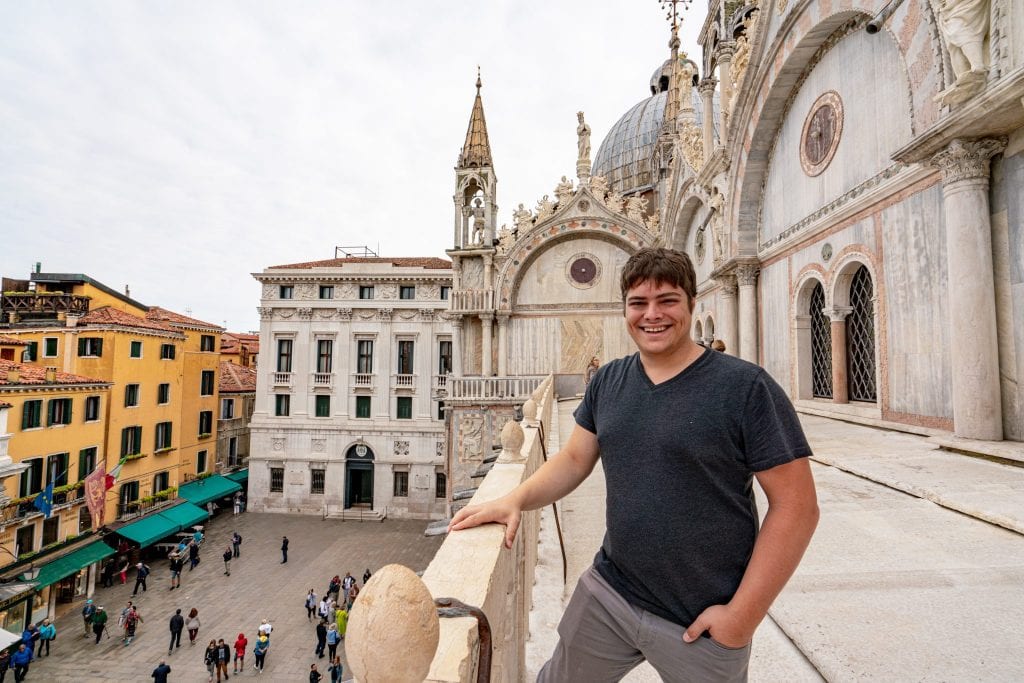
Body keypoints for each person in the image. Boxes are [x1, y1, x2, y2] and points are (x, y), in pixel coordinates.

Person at [449, 247, 820, 682]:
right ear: (624, 308)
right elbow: (573, 459)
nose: (652, 315)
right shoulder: (609, 380)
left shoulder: (745, 388)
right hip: (611, 593)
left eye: (667, 300)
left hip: (700, 621)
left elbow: (797, 507)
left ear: (692, 304)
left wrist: (742, 616)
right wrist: (515, 499)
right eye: (638, 303)